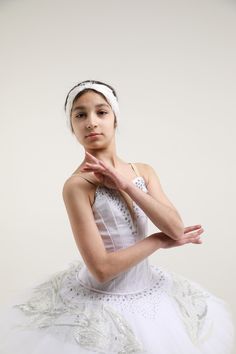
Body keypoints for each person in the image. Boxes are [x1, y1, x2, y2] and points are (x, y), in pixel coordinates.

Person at [0, 80, 234, 354]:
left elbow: (175, 227)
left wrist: (125, 184)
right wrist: (157, 241)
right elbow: (101, 269)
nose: (91, 122)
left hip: (147, 289)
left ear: (115, 119)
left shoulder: (143, 171)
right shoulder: (76, 186)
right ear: (72, 126)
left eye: (101, 112)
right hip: (102, 300)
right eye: (80, 115)